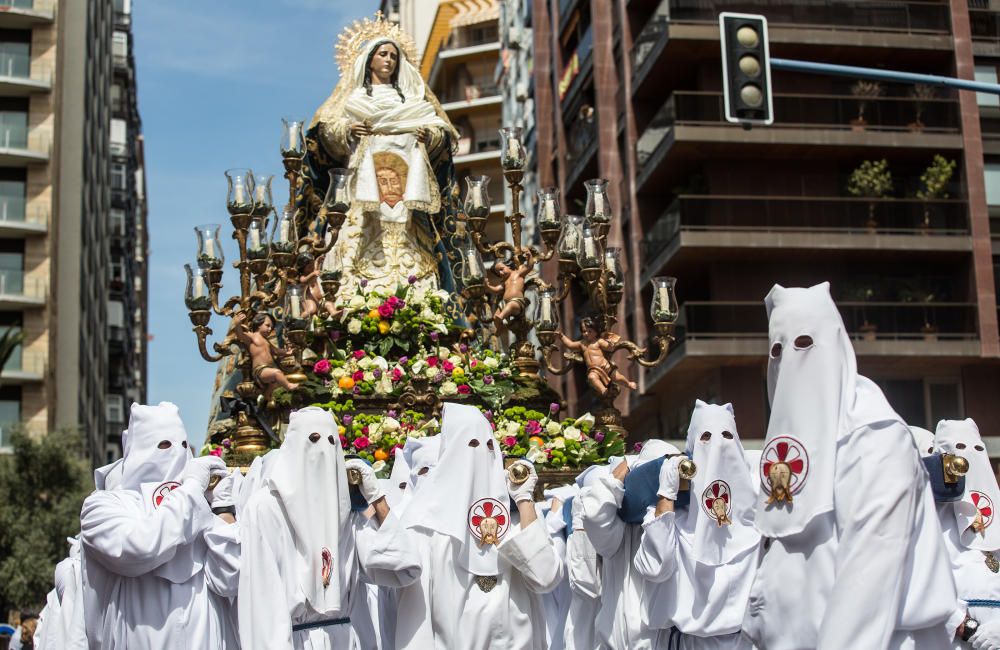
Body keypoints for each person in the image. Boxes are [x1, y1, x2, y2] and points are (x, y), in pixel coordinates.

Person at [742, 283, 959, 649]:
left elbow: (868, 581)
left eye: (805, 344)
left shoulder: (876, 438)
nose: (791, 361)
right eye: (777, 351)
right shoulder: (789, 452)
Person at [238, 406, 421, 648]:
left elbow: (403, 568)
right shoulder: (265, 508)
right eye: (313, 439)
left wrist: (377, 498)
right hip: (296, 641)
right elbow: (262, 603)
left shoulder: (345, 512)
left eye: (332, 442)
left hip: (345, 639)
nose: (323, 450)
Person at [307, 14, 462, 294]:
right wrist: (348, 131)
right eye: (382, 54)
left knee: (411, 243)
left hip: (408, 184)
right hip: (362, 183)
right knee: (356, 239)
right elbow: (326, 131)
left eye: (393, 55)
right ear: (369, 60)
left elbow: (440, 131)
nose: (389, 60)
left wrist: (430, 137)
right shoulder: (353, 98)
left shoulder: (413, 100)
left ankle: (416, 293)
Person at [394, 403, 564, 649]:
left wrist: (524, 500)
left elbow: (546, 578)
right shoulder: (424, 525)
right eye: (470, 445)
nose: (481, 457)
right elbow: (416, 625)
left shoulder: (516, 519)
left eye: (489, 447)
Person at [79, 402, 238, 650]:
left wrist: (221, 512)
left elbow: (230, 580)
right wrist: (192, 490)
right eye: (164, 445)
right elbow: (140, 547)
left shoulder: (197, 505)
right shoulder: (102, 506)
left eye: (184, 445)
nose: (176, 454)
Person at [633, 400, 761, 649]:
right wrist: (667, 494)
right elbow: (655, 567)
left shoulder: (759, 516)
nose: (716, 450)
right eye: (705, 438)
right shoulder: (670, 517)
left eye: (726, 437)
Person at [579, 439, 676, 649]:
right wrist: (622, 473)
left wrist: (664, 501)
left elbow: (657, 565)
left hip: (663, 641)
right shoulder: (619, 525)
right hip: (614, 640)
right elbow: (595, 517)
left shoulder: (679, 520)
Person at [934, 418, 1000, 649]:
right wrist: (967, 626)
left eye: (976, 449)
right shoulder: (926, 522)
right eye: (957, 450)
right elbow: (917, 585)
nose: (966, 460)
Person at [560, 317, 637, 395]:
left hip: (605, 366)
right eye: (584, 331)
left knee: (618, 377)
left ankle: (628, 384)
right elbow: (570, 344)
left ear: (596, 332)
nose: (586, 333)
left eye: (589, 331)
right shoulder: (581, 343)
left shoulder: (599, 341)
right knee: (592, 377)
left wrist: (610, 343)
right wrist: (561, 336)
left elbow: (609, 348)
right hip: (593, 369)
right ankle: (603, 390)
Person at [233, 311, 300, 400]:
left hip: (269, 368)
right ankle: (288, 386)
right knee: (277, 373)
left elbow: (276, 351)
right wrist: (237, 323)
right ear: (258, 324)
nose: (269, 329)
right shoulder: (252, 336)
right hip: (260, 370)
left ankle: (266, 397)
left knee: (274, 384)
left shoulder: (266, 341)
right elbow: (240, 335)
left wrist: (287, 353)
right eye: (267, 325)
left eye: (271, 328)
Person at [485, 259, 532, 329]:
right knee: (495, 317)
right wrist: (488, 287)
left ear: (508, 266)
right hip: (504, 303)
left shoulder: (518, 273)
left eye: (501, 269)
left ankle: (501, 317)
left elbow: (529, 266)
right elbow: (496, 290)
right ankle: (498, 331)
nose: (500, 273)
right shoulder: (505, 281)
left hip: (517, 302)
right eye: (498, 273)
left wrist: (529, 256)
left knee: (510, 305)